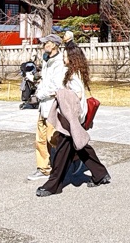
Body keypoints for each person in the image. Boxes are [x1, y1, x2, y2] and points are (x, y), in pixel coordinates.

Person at [37, 44, 109, 196]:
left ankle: (53, 185)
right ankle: (100, 174)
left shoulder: (73, 75)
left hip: (72, 119)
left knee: (62, 152)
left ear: (72, 58)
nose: (63, 58)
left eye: (65, 56)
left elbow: (77, 95)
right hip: (75, 117)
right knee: (81, 147)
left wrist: (59, 94)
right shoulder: (76, 72)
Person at [29, 35, 67, 181]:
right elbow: (45, 81)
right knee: (40, 139)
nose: (45, 45)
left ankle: (73, 158)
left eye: (48, 43)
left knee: (53, 138)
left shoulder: (58, 63)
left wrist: (40, 94)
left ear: (55, 45)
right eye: (44, 43)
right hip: (42, 106)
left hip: (52, 105)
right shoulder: (46, 60)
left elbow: (56, 86)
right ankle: (43, 168)